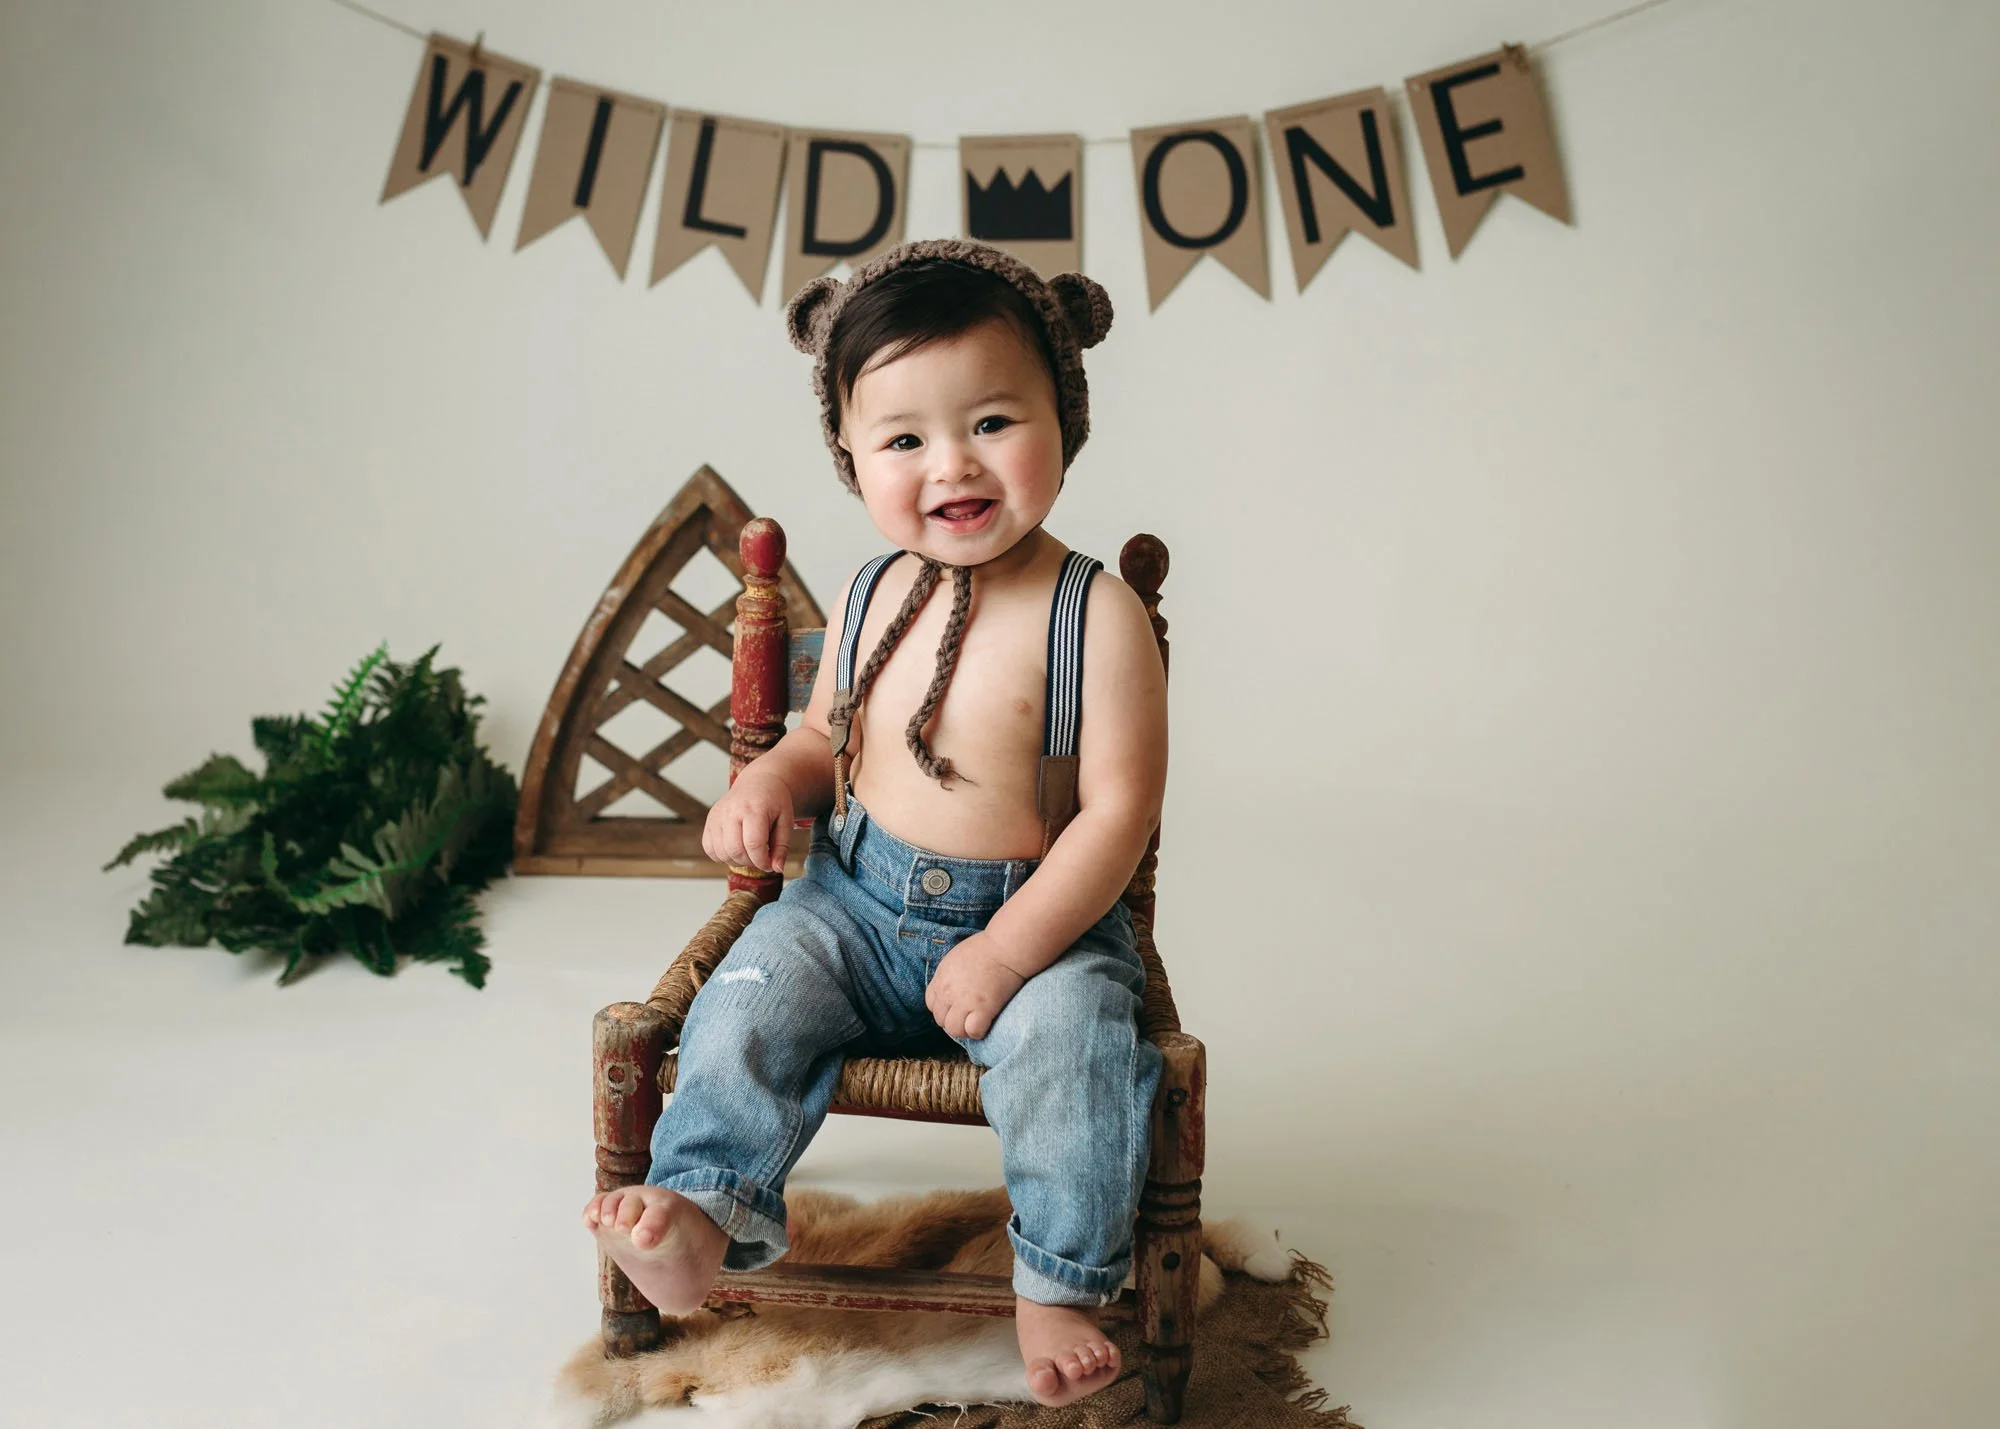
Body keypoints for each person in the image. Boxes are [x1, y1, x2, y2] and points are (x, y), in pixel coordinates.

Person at [583, 239, 1168, 1408]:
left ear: (1065, 416)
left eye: (993, 421)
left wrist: (1008, 952)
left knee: (1077, 1054)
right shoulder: (864, 592)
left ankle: (1054, 1278)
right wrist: (770, 783)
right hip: (854, 899)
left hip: (1036, 918)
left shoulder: (1093, 613)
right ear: (851, 456)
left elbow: (1117, 814)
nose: (950, 463)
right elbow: (820, 737)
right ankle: (699, 1209)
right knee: (751, 997)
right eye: (903, 439)